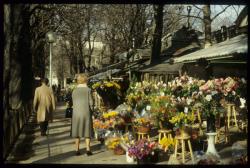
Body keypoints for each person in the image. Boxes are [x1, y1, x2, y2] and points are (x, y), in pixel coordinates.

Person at [71, 73, 94, 156]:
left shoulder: (74, 90)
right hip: (86, 112)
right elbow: (91, 102)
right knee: (87, 130)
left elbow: (73, 101)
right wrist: (92, 110)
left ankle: (77, 150)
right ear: (85, 80)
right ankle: (88, 149)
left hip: (76, 113)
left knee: (77, 131)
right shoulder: (88, 90)